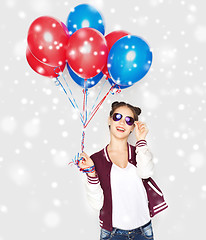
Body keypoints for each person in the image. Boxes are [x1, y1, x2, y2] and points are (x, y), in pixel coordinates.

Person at [78, 101, 167, 240]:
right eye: (117, 117)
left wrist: (141, 140)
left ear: (132, 127)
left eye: (128, 120)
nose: (122, 123)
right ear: (109, 119)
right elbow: (97, 204)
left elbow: (146, 173)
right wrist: (91, 173)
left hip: (143, 231)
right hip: (112, 234)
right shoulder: (95, 160)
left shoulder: (139, 152)